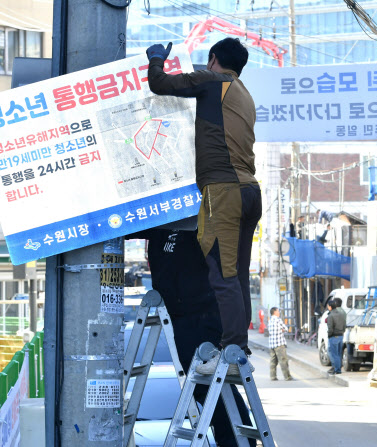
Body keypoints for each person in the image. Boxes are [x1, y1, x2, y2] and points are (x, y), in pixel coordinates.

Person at [146, 38, 262, 374]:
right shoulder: (244, 94)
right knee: (237, 272)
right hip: (250, 190)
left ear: (213, 60)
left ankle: (232, 351)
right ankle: (239, 346)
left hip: (223, 190)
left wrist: (156, 59)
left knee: (221, 273)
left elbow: (161, 84)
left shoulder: (212, 81)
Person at [127, 228, 255, 447]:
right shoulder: (161, 223)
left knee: (212, 384)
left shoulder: (203, 217)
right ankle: (235, 441)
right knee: (207, 384)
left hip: (203, 313)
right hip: (181, 313)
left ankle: (236, 442)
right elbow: (132, 227)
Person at [267, 307, 293, 381]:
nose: (279, 312)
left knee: (273, 361)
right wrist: (282, 330)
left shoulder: (270, 320)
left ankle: (273, 376)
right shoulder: (278, 320)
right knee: (283, 361)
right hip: (279, 344)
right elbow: (286, 329)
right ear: (274, 312)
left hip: (272, 344)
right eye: (278, 311)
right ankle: (287, 376)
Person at [326, 299, 346, 375]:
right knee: (339, 354)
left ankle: (337, 370)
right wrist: (342, 332)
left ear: (330, 307)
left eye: (328, 306)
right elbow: (344, 324)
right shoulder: (341, 314)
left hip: (333, 336)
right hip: (341, 336)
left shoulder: (330, 316)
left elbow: (330, 328)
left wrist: (329, 335)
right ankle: (338, 368)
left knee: (335, 354)